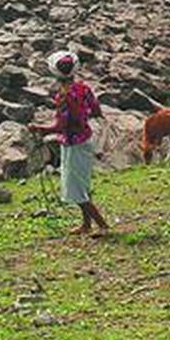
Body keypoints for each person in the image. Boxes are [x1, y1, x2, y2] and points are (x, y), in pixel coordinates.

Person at [29, 50, 110, 236]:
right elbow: (96, 110)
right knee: (83, 184)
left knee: (75, 187)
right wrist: (82, 117)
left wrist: (40, 128)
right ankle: (86, 225)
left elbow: (60, 125)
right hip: (86, 138)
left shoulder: (63, 97)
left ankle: (102, 226)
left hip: (73, 144)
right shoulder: (84, 89)